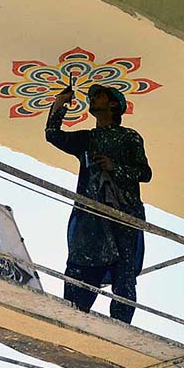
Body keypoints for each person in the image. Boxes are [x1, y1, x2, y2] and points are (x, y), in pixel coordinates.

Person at [45, 84, 151, 323]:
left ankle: (121, 328)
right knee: (82, 267)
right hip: (91, 216)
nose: (93, 99)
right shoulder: (88, 139)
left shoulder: (129, 137)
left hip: (123, 214)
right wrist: (59, 104)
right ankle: (73, 319)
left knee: (123, 275)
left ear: (113, 104)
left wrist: (116, 167)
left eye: (99, 96)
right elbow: (53, 135)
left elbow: (145, 173)